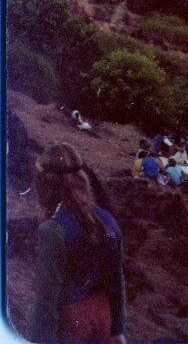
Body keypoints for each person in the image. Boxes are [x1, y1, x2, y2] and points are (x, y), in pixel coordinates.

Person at [27, 144, 126, 343]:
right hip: (102, 320)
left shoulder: (52, 230)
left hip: (69, 327)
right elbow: (117, 282)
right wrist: (117, 329)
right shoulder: (108, 220)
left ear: (45, 184)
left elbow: (46, 303)